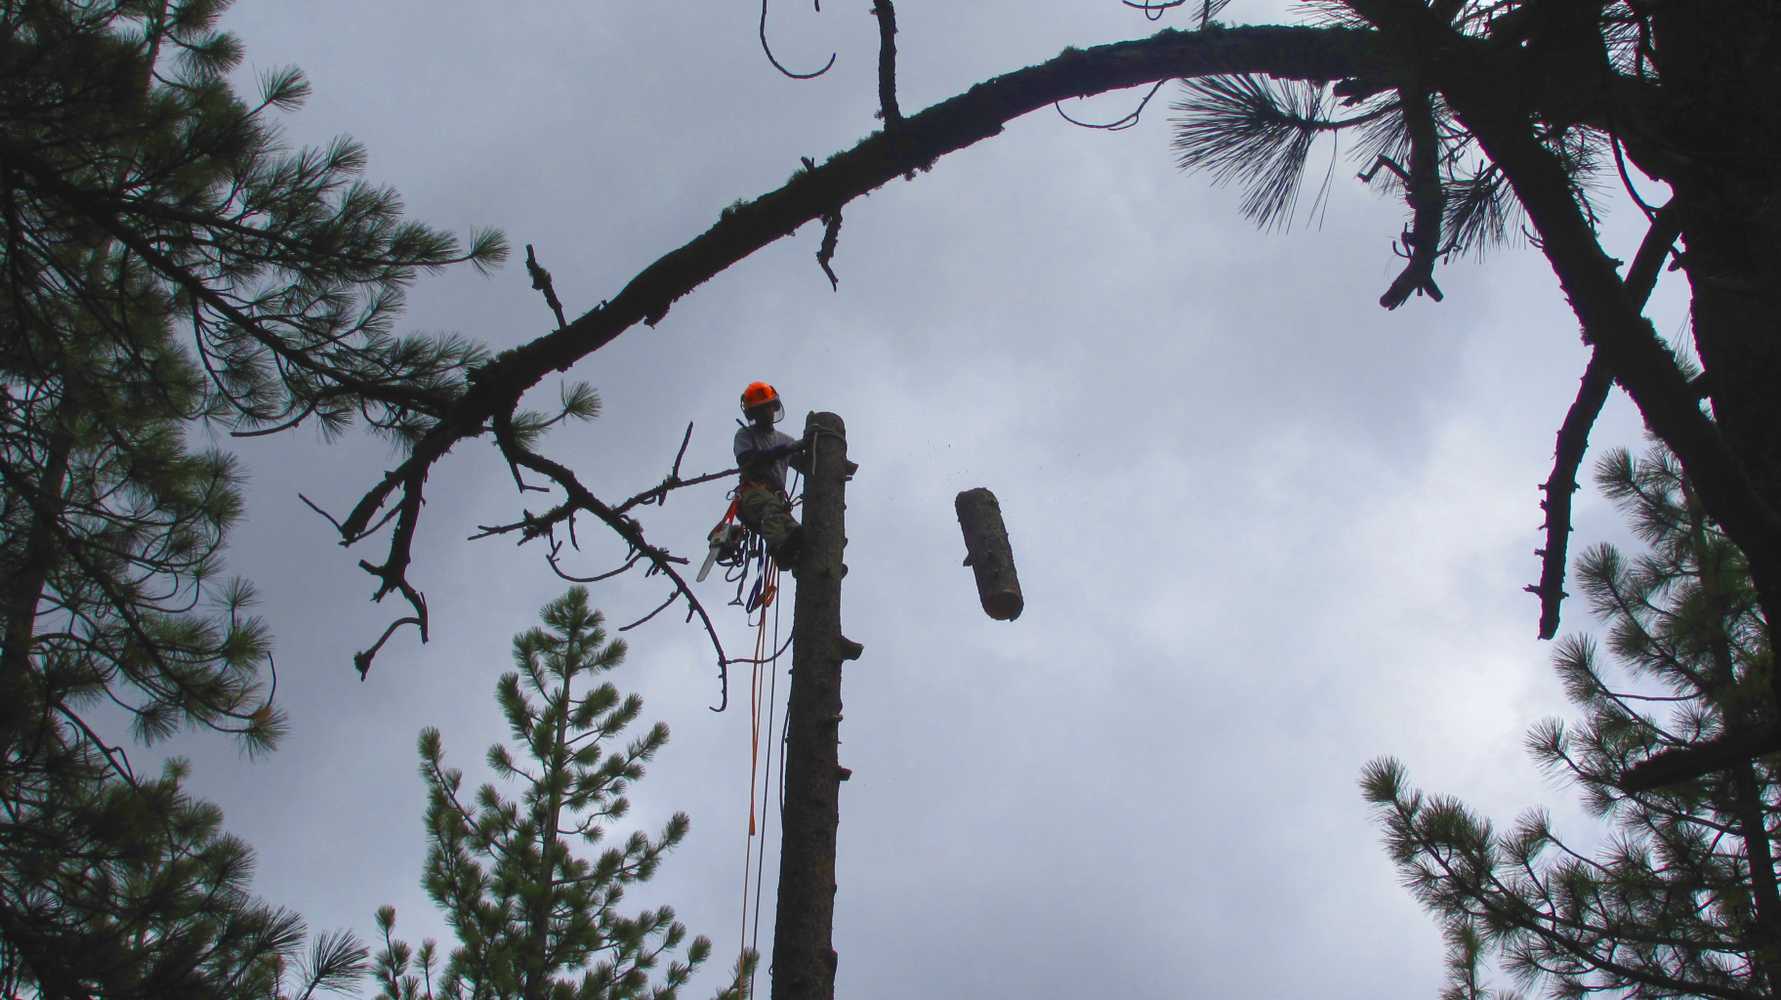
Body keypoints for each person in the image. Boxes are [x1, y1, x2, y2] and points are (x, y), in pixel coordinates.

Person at [733, 381, 808, 570]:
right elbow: (747, 460)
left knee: (797, 532)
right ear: (752, 414)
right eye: (760, 410)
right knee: (772, 510)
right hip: (753, 494)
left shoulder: (784, 440)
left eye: (767, 408)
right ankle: (780, 550)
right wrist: (787, 449)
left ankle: (813, 563)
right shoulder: (745, 435)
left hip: (776, 501)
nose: (765, 413)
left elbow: (807, 465)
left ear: (774, 407)